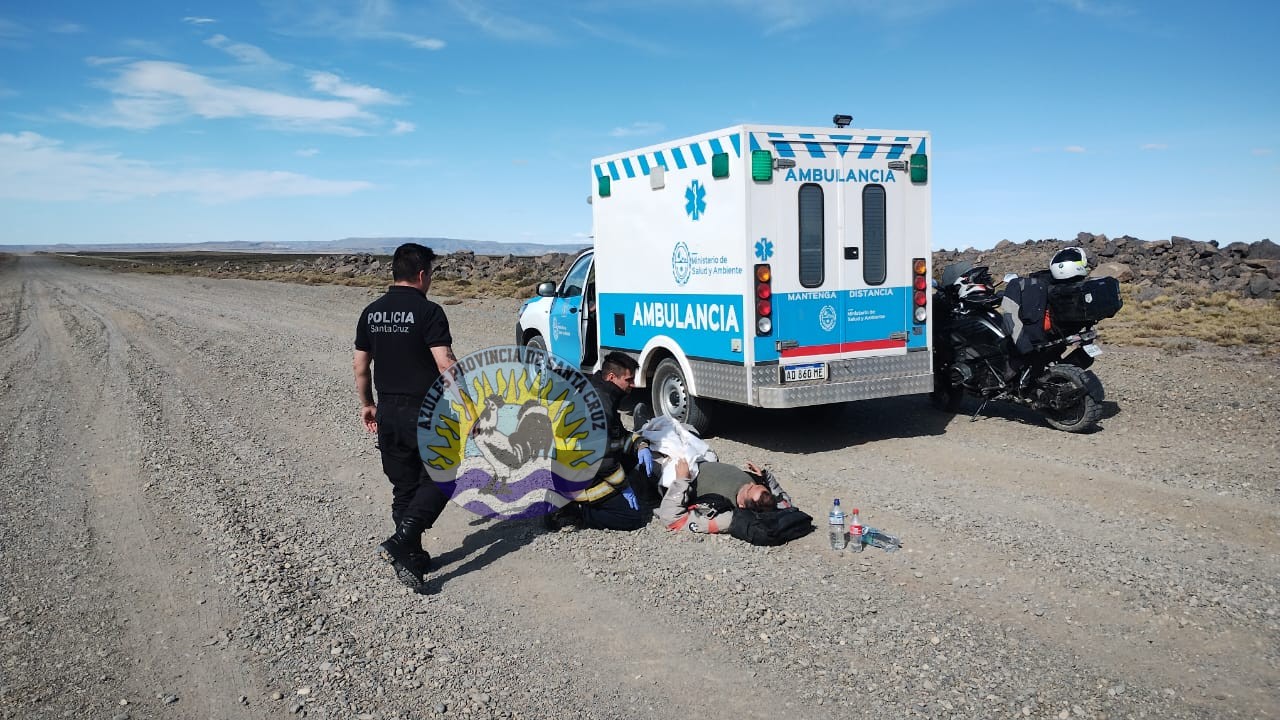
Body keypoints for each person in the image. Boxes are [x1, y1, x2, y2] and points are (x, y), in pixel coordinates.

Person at [353, 243, 458, 592]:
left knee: (404, 485)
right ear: (423, 274)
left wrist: (367, 404)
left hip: (388, 409)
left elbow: (360, 366)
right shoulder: (429, 312)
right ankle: (403, 541)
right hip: (426, 410)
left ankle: (410, 555)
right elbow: (445, 364)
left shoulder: (371, 312)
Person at [544, 351, 651, 531]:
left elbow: (617, 435)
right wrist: (623, 486)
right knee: (631, 518)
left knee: (630, 459)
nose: (632, 385)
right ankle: (573, 511)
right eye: (628, 380)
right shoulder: (599, 406)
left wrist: (640, 445)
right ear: (611, 377)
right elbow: (601, 459)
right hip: (578, 476)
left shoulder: (600, 394)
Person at [656, 458, 794, 534]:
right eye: (755, 484)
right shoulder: (759, 491)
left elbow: (671, 518)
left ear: (742, 506)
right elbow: (785, 503)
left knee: (647, 460)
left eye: (749, 488)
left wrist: (681, 481)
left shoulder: (726, 516)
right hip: (699, 459)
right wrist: (765, 478)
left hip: (673, 475)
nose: (750, 483)